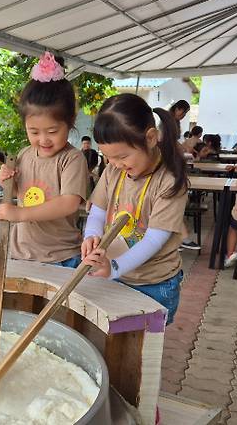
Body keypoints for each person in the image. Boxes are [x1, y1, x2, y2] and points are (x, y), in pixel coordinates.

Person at [80, 94, 188, 325]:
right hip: (117, 274)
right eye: (108, 157)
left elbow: (153, 241)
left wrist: (114, 268)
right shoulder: (113, 171)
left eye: (122, 156)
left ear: (150, 138)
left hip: (154, 283)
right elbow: (98, 213)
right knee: (115, 338)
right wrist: (91, 236)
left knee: (143, 350)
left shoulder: (169, 181)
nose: (115, 164)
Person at [0, 52, 88, 268]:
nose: (43, 139)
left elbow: (68, 203)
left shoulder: (72, 159)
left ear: (70, 121)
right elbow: (23, 193)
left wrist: (20, 213)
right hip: (22, 253)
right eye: (34, 132)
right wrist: (7, 182)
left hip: (61, 256)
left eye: (53, 131)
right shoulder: (24, 155)